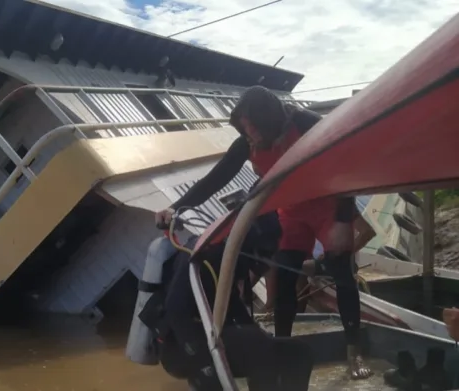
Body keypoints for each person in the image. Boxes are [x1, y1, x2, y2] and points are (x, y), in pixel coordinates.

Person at [154, 85, 371, 380]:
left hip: (327, 206)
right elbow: (215, 178)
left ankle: (353, 351)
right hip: (291, 211)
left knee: (342, 274)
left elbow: (345, 166)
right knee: (284, 280)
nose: (250, 135)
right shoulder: (247, 143)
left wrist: (343, 222)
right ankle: (281, 349)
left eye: (253, 127)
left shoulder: (307, 123)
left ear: (269, 119)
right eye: (244, 129)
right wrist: (175, 207)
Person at [151, 213, 314, 391]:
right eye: (264, 252)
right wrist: (203, 362)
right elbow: (175, 308)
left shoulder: (231, 258)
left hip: (212, 337)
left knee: (300, 352)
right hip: (180, 348)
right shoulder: (207, 255)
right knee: (259, 348)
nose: (266, 260)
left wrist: (257, 332)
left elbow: (232, 302)